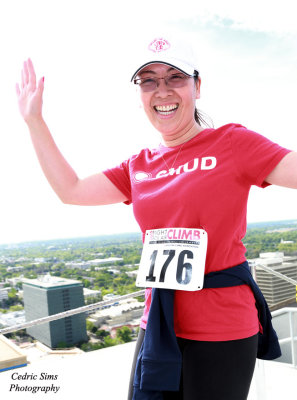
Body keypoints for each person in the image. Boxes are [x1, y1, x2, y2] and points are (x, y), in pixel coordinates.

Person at [16, 36, 297, 400]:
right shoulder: (138, 165)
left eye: (174, 77)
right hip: (159, 326)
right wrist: (34, 121)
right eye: (148, 80)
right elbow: (71, 190)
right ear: (140, 94)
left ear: (197, 86)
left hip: (223, 327)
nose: (162, 90)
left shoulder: (233, 143)